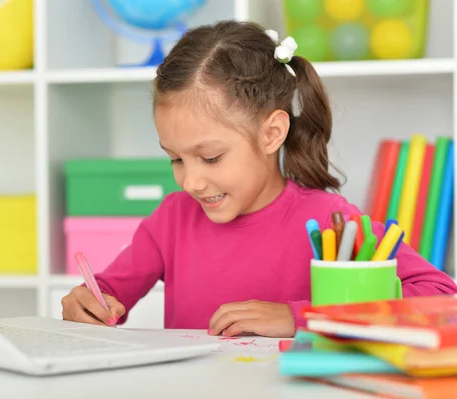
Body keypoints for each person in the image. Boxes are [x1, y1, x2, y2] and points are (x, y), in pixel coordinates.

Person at [61, 20, 457, 338]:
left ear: (271, 133)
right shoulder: (172, 219)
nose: (191, 182)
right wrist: (91, 302)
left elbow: (442, 299)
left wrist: (299, 317)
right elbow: (108, 293)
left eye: (210, 157)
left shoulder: (329, 220)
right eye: (176, 160)